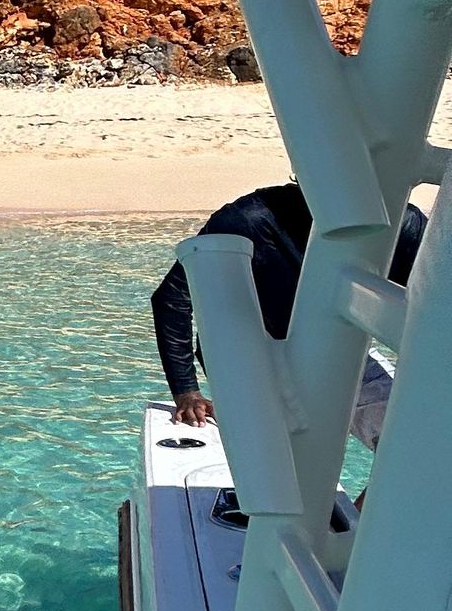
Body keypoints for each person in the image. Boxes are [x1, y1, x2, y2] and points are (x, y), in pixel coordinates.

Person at [152, 181, 426, 445]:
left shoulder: (404, 225)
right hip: (253, 356)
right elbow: (172, 297)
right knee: (285, 459)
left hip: (343, 352)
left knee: (419, 441)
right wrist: (186, 390)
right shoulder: (248, 220)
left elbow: (434, 309)